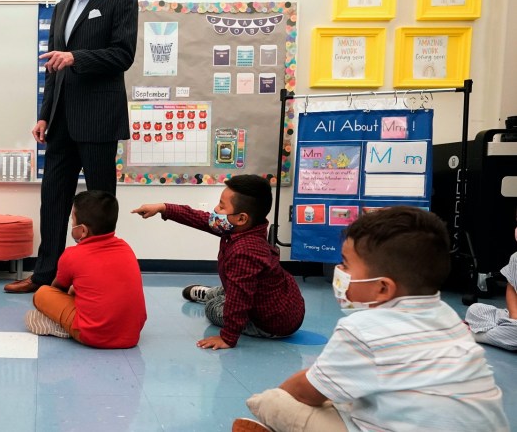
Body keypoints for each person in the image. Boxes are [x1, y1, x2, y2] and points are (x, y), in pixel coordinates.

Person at [234, 207, 509, 432]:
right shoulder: (449, 317)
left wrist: (279, 397)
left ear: (382, 288)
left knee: (273, 402)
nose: (340, 272)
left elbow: (307, 391)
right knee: (349, 396)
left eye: (345, 264)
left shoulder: (362, 329)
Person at [5, 0, 139, 293]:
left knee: (98, 205)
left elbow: (123, 55)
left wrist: (77, 57)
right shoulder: (62, 7)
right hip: (61, 121)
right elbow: (53, 68)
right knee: (53, 200)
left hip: (98, 120)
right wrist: (44, 114)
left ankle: (98, 279)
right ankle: (45, 274)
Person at [132, 175, 304, 349]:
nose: (215, 208)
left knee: (213, 308)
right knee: (235, 286)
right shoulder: (247, 228)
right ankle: (214, 292)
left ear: (242, 218)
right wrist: (163, 208)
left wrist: (227, 338)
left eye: (222, 206)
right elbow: (199, 218)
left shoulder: (244, 251)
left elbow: (239, 300)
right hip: (285, 303)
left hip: (272, 324)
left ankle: (211, 297)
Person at [25, 191, 146, 348]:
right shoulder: (126, 248)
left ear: (82, 230)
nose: (71, 224)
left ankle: (61, 326)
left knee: (42, 294)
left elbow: (56, 290)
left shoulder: (72, 255)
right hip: (131, 335)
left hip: (93, 335)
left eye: (72, 220)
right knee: (79, 289)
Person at [465, 224, 517, 350]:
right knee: (475, 309)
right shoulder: (515, 258)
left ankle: (478, 335)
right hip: (512, 320)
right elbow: (511, 288)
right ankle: (503, 331)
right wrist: (514, 316)